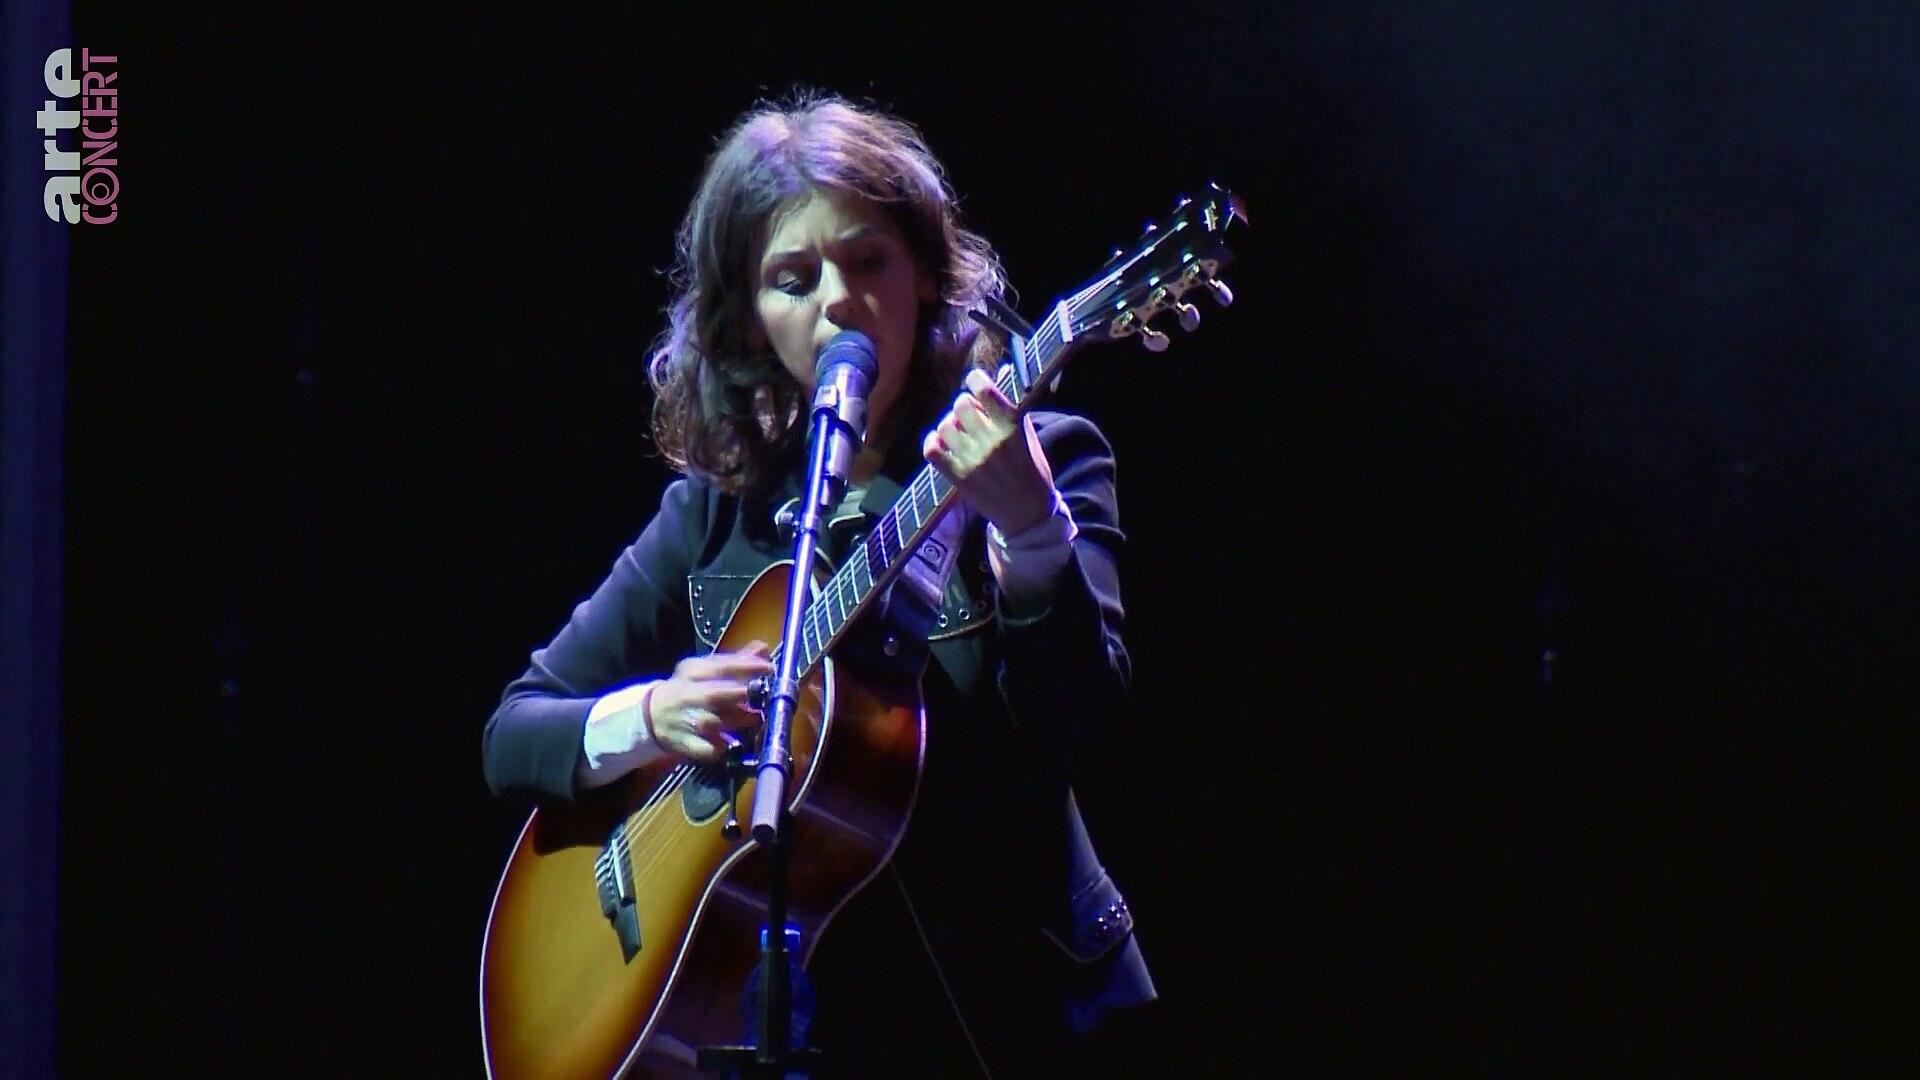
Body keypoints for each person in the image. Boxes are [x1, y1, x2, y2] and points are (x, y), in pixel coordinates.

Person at [482, 92, 1154, 1077]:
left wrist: (1032, 535)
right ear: (753, 324)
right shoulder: (718, 513)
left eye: (867, 261)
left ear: (927, 276)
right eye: (793, 280)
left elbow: (1079, 720)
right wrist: (650, 718)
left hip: (1015, 1008)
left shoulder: (1043, 462)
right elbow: (513, 733)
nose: (837, 300)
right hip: (791, 1027)